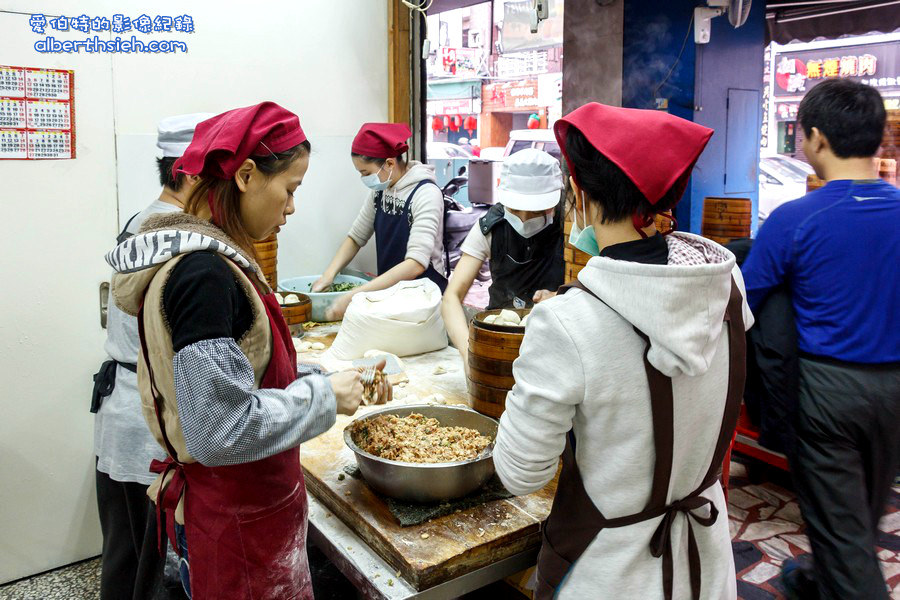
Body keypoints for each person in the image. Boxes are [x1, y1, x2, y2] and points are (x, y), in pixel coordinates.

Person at [105, 102, 390, 600]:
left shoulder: (206, 260)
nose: (292, 207)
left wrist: (323, 376)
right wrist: (324, 399)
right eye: (290, 189)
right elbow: (219, 430)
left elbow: (241, 372)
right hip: (237, 526)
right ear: (247, 175)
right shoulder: (202, 277)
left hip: (248, 512)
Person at [492, 102, 753, 600]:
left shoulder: (566, 321)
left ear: (580, 197)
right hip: (707, 563)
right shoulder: (728, 288)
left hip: (610, 573)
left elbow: (521, 472)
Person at [741, 79, 900, 600]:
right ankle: (817, 579)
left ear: (814, 139)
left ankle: (837, 580)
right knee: (862, 510)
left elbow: (746, 302)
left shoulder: (795, 219)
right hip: (895, 391)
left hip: (829, 393)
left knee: (843, 531)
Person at [91, 112, 209, 600]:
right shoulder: (172, 236)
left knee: (125, 556)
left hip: (119, 413)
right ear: (191, 171)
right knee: (152, 570)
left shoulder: (141, 219)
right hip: (147, 428)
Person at [442, 148, 564, 368]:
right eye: (515, 209)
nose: (524, 219)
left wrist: (561, 296)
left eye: (536, 210)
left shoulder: (572, 226)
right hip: (501, 339)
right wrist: (470, 354)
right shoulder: (491, 226)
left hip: (556, 346)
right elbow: (451, 297)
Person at [314, 123, 446, 319]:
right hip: (391, 295)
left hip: (424, 299)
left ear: (390, 164)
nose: (364, 179)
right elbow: (356, 237)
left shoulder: (426, 194)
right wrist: (328, 275)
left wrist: (355, 295)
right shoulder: (380, 192)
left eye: (366, 173)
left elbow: (416, 263)